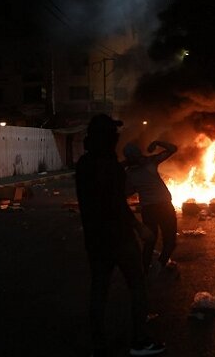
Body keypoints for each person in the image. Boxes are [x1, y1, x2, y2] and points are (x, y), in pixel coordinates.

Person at [75, 113, 165, 357]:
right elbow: (115, 203)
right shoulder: (111, 167)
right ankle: (138, 341)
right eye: (113, 134)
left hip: (95, 240)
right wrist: (139, 227)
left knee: (99, 290)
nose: (117, 138)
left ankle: (99, 346)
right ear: (107, 138)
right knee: (137, 286)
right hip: (119, 238)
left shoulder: (84, 165)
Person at [123, 140, 178, 277]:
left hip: (149, 209)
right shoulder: (150, 162)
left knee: (150, 242)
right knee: (169, 240)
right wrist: (158, 142)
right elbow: (172, 148)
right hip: (163, 207)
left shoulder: (130, 173)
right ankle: (158, 266)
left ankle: (145, 272)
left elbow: (127, 192)